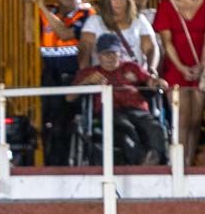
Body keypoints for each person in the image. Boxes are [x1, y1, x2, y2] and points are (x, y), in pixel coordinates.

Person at [153, 0, 205, 167]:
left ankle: (189, 163)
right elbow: (167, 41)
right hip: (176, 66)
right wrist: (181, 67)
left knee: (196, 119)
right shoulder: (166, 5)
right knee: (180, 118)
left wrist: (202, 64)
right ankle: (178, 165)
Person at [70, 32, 169, 166]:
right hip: (109, 111)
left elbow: (151, 81)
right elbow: (69, 97)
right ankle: (141, 163)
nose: (110, 57)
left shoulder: (131, 67)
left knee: (156, 128)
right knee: (126, 129)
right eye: (106, 54)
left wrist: (157, 82)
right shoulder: (90, 73)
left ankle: (156, 161)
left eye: (113, 53)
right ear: (98, 56)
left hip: (137, 109)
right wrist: (87, 82)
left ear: (120, 53)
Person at [24, 0, 93, 165]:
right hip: (50, 74)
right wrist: (29, 5)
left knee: (68, 123)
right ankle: (50, 163)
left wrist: (40, 7)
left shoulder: (87, 14)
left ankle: (68, 164)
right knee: (49, 123)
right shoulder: (50, 11)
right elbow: (30, 36)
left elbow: (64, 33)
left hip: (74, 74)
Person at [78, 0, 159, 73]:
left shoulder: (139, 20)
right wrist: (86, 74)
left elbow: (151, 48)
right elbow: (84, 50)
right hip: (103, 79)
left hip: (134, 80)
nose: (118, 2)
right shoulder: (94, 21)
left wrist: (152, 69)